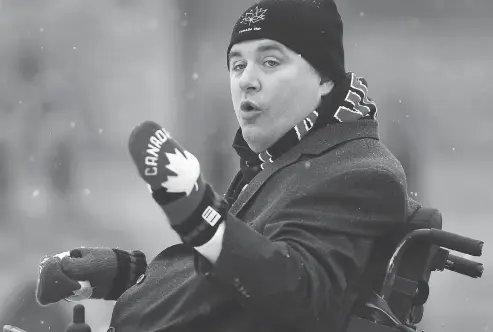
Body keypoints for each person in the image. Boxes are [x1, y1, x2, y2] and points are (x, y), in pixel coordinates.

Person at [33, 0, 417, 331]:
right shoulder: (283, 162)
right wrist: (122, 273)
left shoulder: (359, 173)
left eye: (270, 61)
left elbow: (299, 297)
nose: (246, 80)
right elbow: (223, 283)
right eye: (237, 65)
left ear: (325, 80)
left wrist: (200, 216)